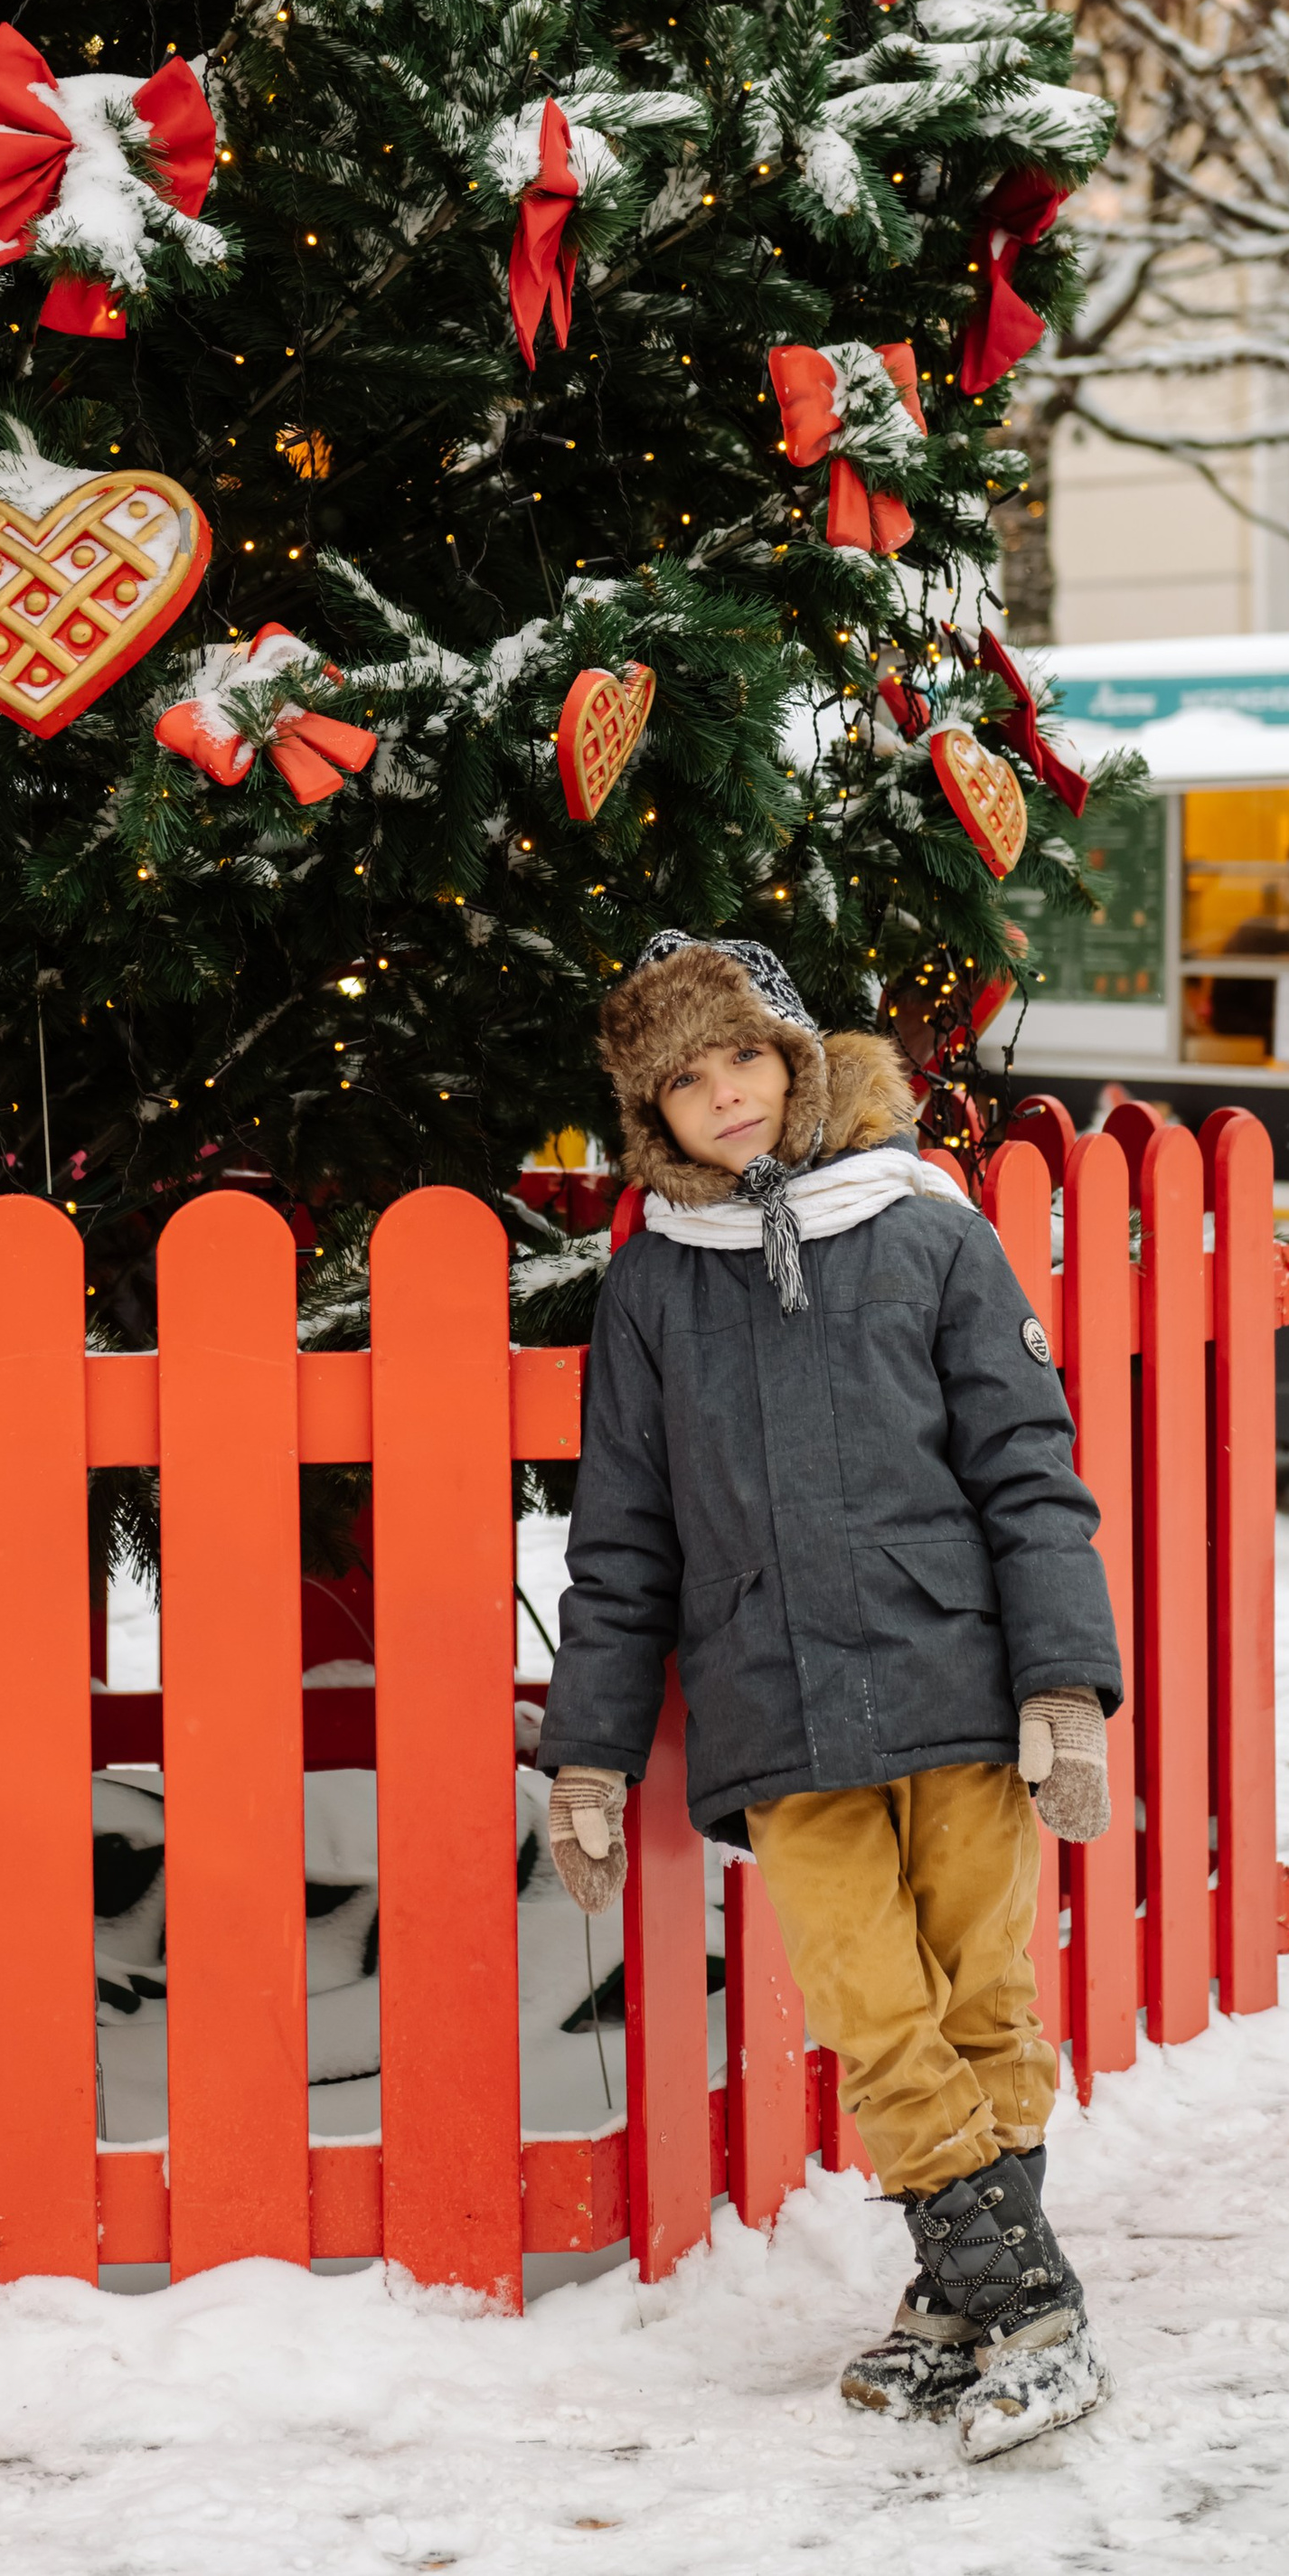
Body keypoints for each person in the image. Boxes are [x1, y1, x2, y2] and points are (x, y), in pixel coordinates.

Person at [537, 929, 1122, 2461]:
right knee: (875, 2006)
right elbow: (623, 1541)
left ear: (796, 1063)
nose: (724, 1096)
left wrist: (1063, 1682)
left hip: (955, 1675)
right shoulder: (654, 1286)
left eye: (745, 1059)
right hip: (775, 1709)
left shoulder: (926, 1232)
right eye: (685, 1079)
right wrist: (588, 1759)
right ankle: (1028, 2303)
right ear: (648, 1112)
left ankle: (967, 2308)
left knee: (985, 1998)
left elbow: (1027, 1469)